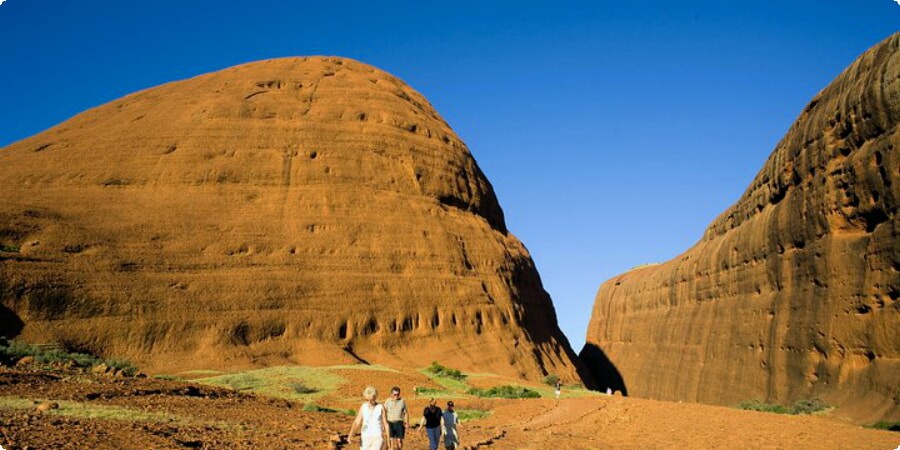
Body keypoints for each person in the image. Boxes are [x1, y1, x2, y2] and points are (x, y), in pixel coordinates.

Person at [349, 386, 388, 450]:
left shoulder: (380, 407)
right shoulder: (363, 407)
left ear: (375, 397)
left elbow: (386, 424)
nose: (369, 402)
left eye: (371, 400)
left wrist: (387, 438)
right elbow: (357, 421)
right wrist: (351, 434)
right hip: (365, 436)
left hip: (377, 436)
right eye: (367, 400)